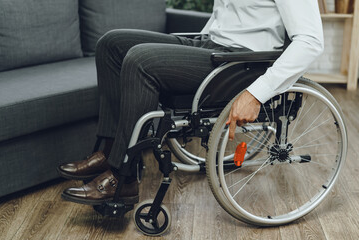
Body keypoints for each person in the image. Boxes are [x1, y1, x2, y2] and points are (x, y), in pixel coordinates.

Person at [58, 0, 324, 205]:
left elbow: (310, 42)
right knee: (111, 44)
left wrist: (255, 94)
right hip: (212, 45)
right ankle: (109, 150)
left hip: (239, 64)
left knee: (140, 60)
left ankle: (122, 178)